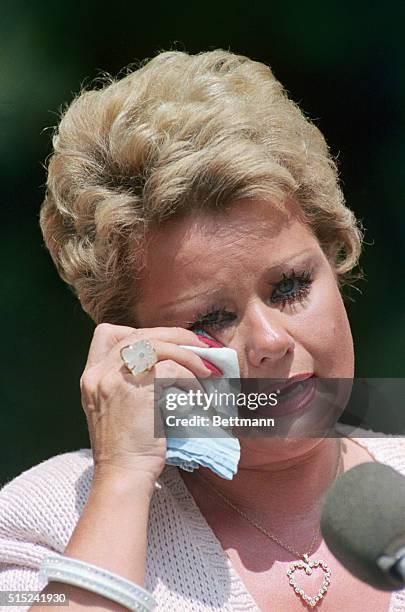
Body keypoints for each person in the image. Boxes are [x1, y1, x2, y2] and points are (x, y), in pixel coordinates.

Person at [0, 49, 403, 612]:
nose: (270, 342)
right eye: (211, 318)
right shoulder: (48, 517)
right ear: (132, 346)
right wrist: (122, 481)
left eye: (290, 285)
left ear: (334, 258)